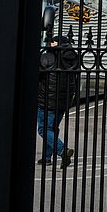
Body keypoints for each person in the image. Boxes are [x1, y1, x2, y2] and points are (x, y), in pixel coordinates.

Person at [37, 35, 81, 168]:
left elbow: (39, 74)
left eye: (53, 41)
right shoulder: (73, 57)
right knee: (52, 129)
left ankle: (63, 151)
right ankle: (46, 158)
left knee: (43, 129)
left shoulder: (49, 56)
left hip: (46, 100)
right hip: (63, 101)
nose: (50, 43)